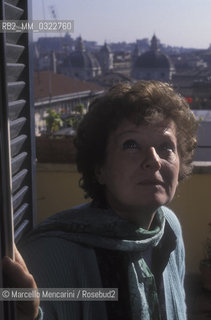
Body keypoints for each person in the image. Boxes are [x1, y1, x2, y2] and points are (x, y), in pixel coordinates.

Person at [2, 81, 198, 319]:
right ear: (99, 169)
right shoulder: (50, 255)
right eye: (131, 144)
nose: (154, 160)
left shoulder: (168, 228)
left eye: (166, 146)